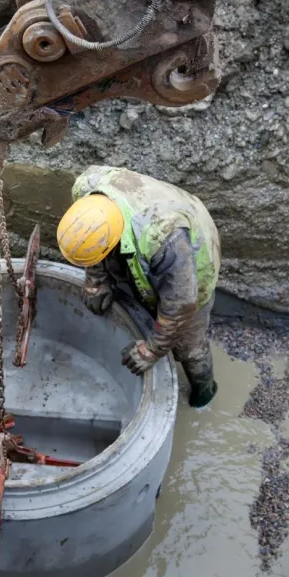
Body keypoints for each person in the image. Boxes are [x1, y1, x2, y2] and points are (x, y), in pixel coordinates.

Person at [56, 165, 221, 408]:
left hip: (193, 263)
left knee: (189, 348)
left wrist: (152, 350)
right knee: (140, 288)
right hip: (144, 235)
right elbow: (91, 239)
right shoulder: (86, 190)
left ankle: (204, 394)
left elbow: (182, 303)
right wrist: (96, 280)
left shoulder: (164, 237)